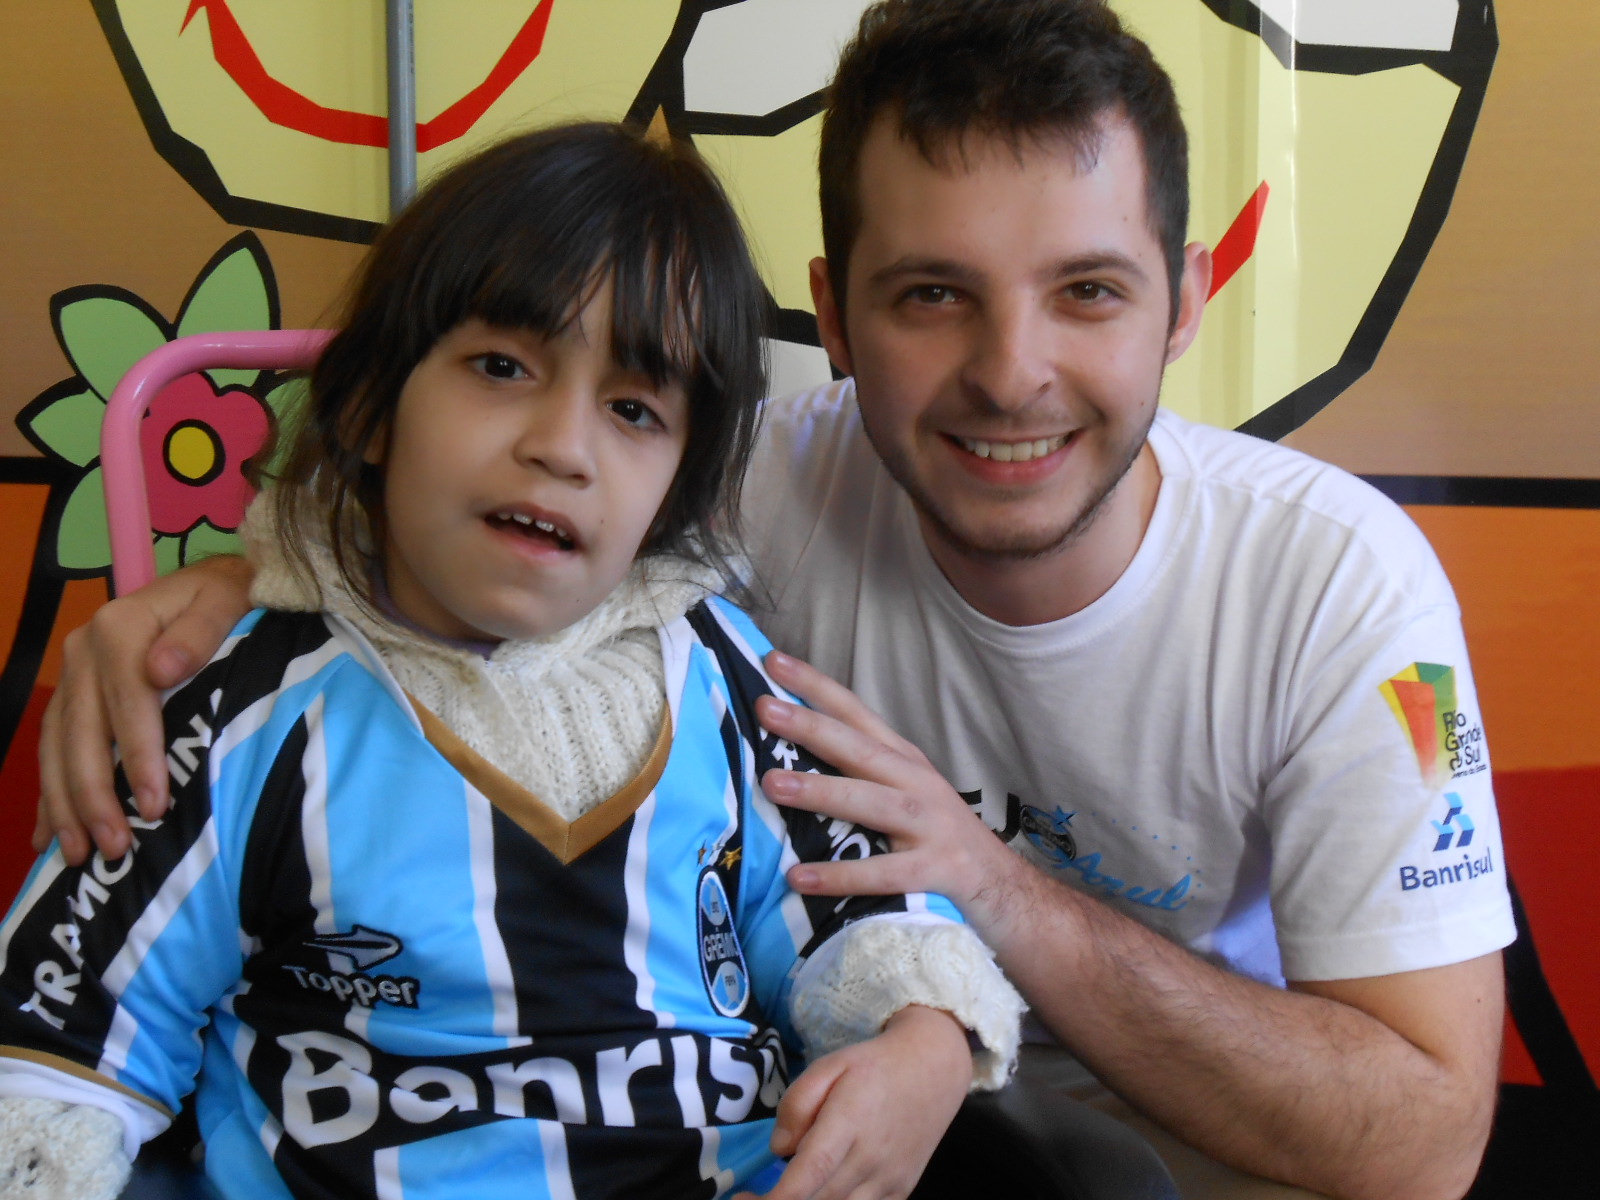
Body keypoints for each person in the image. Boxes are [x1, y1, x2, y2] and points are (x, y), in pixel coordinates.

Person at [33, 2, 1515, 1197]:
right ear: (838, 307)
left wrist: (984, 912)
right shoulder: (735, 486)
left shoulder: (1337, 586)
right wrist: (240, 592)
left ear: (1187, 302)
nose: (1011, 373)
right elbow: (459, 541)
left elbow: (1426, 1143)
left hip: (1164, 1151)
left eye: (1090, 291)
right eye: (933, 293)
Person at [0, 120, 1023, 1200]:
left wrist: (926, 1044)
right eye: (501, 367)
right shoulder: (237, 712)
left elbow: (868, 915)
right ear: (367, 405)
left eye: (633, 409)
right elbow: (60, 1054)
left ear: (673, 493)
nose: (562, 447)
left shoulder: (727, 683)